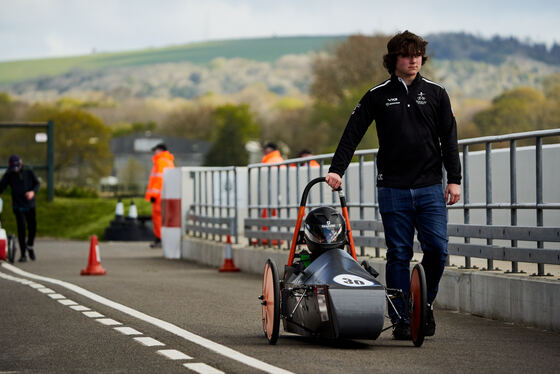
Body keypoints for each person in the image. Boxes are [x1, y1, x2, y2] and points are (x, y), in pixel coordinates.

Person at [325, 30, 461, 340]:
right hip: (393, 187)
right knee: (399, 253)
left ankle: (422, 305)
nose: (413, 60)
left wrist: (454, 179)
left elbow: (449, 139)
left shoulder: (438, 93)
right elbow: (352, 132)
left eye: (417, 55)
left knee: (437, 251)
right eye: (406, 55)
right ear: (393, 60)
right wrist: (337, 170)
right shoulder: (377, 94)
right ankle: (401, 317)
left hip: (429, 186)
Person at [0, 155, 40, 262]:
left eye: (17, 167)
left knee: (32, 226)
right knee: (21, 228)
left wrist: (33, 192)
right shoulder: (9, 174)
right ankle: (23, 254)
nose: (16, 170)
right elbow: (1, 186)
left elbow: (37, 183)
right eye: (14, 168)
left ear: (21, 163)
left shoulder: (28, 170)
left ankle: (30, 246)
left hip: (30, 204)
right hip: (18, 205)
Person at [145, 143, 175, 248]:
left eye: (156, 150)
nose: (154, 152)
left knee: (158, 217)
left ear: (160, 150)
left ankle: (160, 239)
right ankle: (162, 239)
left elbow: (159, 180)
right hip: (165, 194)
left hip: (159, 196)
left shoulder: (161, 161)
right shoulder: (168, 161)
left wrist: (153, 194)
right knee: (164, 217)